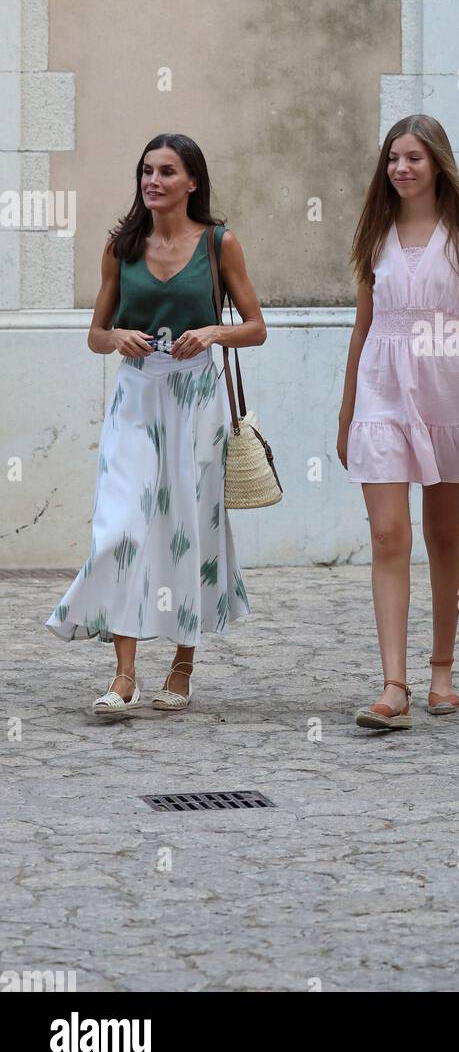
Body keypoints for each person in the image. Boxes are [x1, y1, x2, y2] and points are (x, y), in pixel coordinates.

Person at [46, 134, 264, 714]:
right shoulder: (121, 246)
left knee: (187, 526)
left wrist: (215, 332)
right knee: (123, 527)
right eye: (147, 170)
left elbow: (256, 326)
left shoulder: (220, 244)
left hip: (197, 396)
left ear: (192, 181)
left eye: (167, 171)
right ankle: (123, 674)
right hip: (137, 394)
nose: (153, 181)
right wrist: (116, 336)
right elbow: (96, 334)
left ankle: (183, 665)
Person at [337, 114, 459, 732]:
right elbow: (361, 326)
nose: (401, 168)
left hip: (448, 388)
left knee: (443, 535)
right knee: (388, 535)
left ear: (437, 162)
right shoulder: (373, 231)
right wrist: (346, 408)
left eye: (413, 157)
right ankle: (393, 684)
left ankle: (442, 670)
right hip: (382, 387)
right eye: (392, 158)